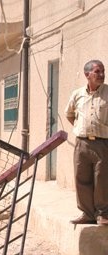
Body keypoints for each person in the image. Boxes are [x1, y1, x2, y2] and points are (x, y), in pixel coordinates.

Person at [65, 59, 108, 226]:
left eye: (103, 71)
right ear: (87, 74)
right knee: (81, 178)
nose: (101, 74)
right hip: (81, 143)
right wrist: (81, 129)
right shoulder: (77, 94)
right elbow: (69, 114)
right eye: (97, 71)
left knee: (101, 179)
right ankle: (87, 213)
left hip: (102, 143)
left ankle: (103, 214)